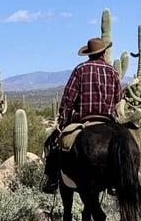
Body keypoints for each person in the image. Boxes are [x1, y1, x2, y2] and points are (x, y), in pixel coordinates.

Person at [41, 37, 123, 193]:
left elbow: (68, 98)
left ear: (88, 54)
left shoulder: (80, 70)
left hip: (82, 120)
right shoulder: (113, 71)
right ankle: (115, 181)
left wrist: (62, 122)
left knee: (54, 144)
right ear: (104, 53)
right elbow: (119, 98)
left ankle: (51, 180)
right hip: (109, 121)